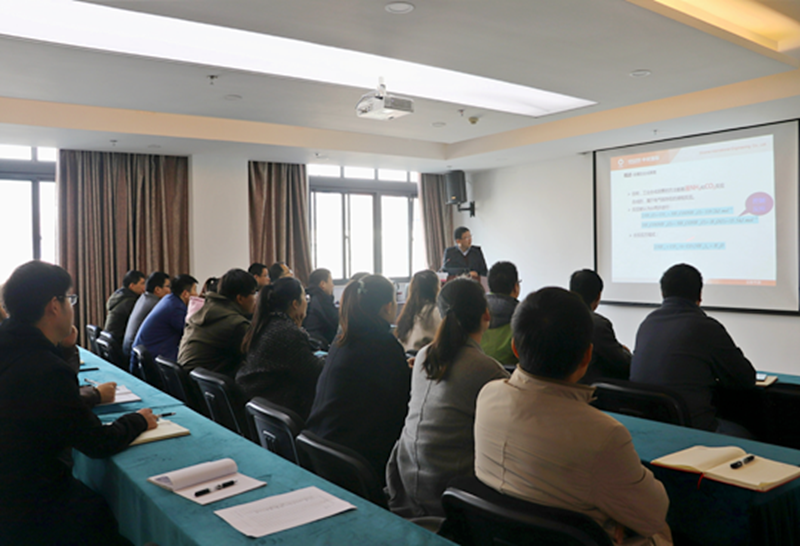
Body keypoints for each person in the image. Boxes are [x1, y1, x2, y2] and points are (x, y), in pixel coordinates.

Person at [474, 287, 672, 545]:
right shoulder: (603, 434)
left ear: (515, 348)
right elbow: (654, 515)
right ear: (587, 356)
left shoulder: (487, 395)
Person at [0, 261, 157, 545]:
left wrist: (63, 350)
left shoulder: (12, 345)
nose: (72, 306)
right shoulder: (46, 369)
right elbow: (97, 442)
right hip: (29, 505)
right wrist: (138, 420)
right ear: (54, 306)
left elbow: (49, 404)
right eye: (69, 299)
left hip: (11, 490)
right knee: (105, 519)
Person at [386, 278, 508, 519]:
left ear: (441, 314)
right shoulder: (488, 370)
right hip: (448, 495)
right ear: (486, 314)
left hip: (403, 482)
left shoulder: (423, 356)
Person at [306, 274, 411, 483]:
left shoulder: (342, 339)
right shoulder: (384, 344)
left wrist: (401, 366)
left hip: (322, 449)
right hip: (355, 461)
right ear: (388, 307)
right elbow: (403, 400)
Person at [630, 264, 756, 434]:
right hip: (694, 429)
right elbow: (745, 379)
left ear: (662, 293)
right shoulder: (705, 327)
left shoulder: (647, 323)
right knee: (750, 435)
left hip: (649, 427)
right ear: (700, 295)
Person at [237, 277, 324, 419]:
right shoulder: (286, 332)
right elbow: (316, 373)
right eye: (305, 298)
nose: (307, 303)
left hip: (262, 403)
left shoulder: (265, 323)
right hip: (284, 406)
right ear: (295, 304)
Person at [178, 268, 257, 377]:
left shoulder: (206, 309)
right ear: (240, 298)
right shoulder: (235, 324)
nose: (255, 299)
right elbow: (258, 357)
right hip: (202, 382)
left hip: (189, 379)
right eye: (253, 293)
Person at [570, 268, 631, 384]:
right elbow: (623, 363)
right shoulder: (597, 324)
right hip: (590, 389)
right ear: (598, 296)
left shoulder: (557, 317)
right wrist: (624, 351)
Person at [132, 274, 198, 367]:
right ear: (185, 294)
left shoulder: (169, 299)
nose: (197, 295)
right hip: (153, 361)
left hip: (145, 358)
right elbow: (190, 333)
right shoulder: (176, 308)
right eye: (195, 290)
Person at [122, 271, 171, 358]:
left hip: (130, 348)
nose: (170, 290)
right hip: (136, 353)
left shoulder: (144, 297)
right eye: (168, 286)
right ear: (157, 290)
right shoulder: (155, 304)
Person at [480, 261, 520, 365]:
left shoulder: (474, 310)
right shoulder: (523, 315)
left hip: (476, 369)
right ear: (515, 288)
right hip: (509, 373)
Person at [394, 269, 442, 352]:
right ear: (436, 288)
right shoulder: (436, 312)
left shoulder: (408, 312)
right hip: (424, 357)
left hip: (407, 356)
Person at [103, 269, 146, 341]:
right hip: (118, 340)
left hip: (110, 339)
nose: (144, 287)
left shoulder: (119, 295)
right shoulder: (129, 301)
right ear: (132, 286)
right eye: (142, 283)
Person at [303, 267, 339, 348]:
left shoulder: (308, 298)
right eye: (331, 281)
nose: (332, 285)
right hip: (320, 344)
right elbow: (335, 323)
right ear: (323, 284)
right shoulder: (322, 300)